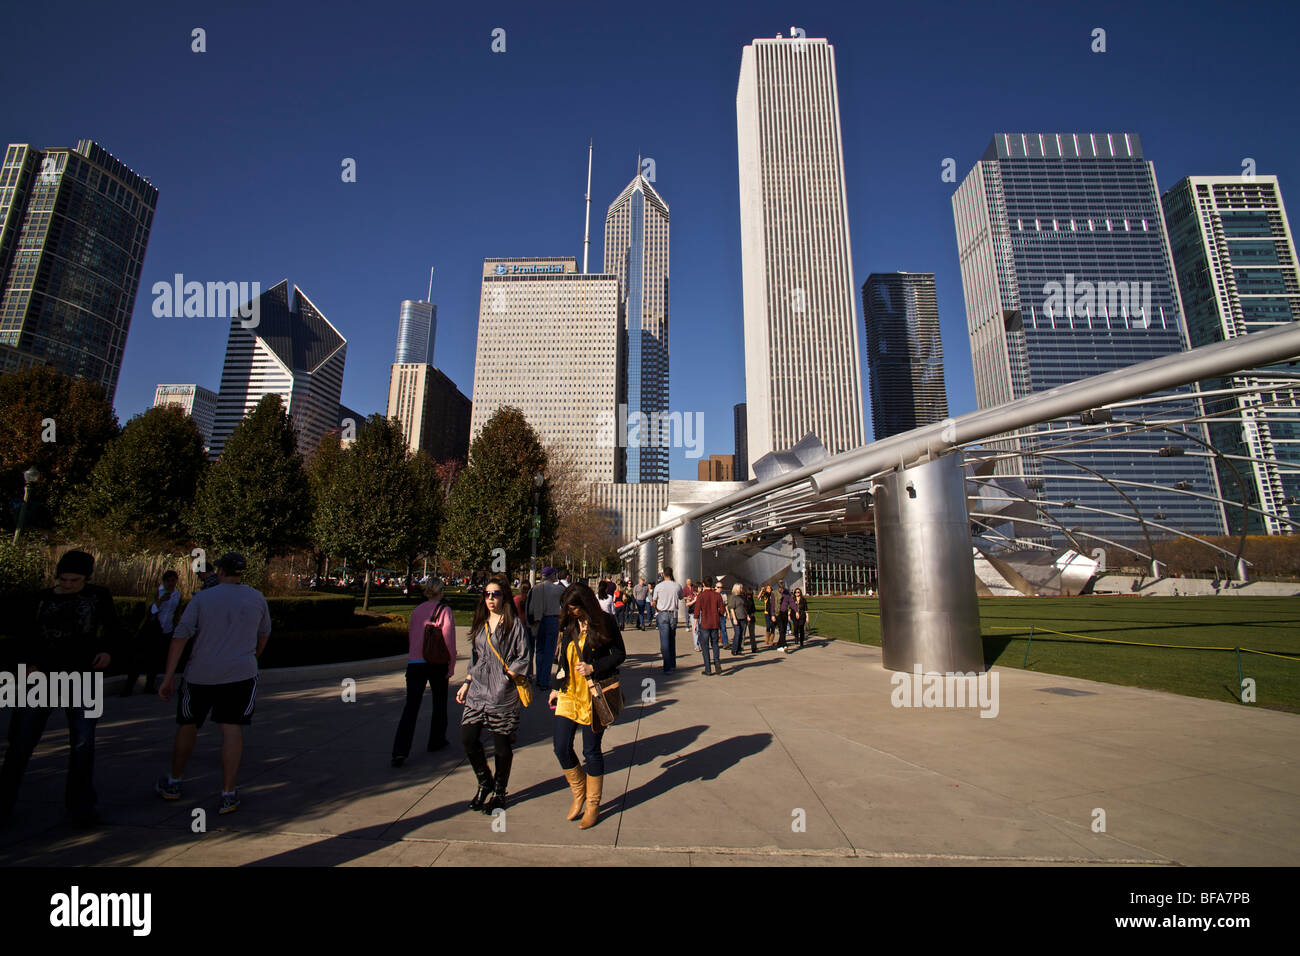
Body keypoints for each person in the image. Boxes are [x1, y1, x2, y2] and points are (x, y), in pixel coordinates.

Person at [0, 550, 116, 828]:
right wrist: (24, 664)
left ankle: (80, 807)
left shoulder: (99, 596)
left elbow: (113, 629)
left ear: (87, 578)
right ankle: (3, 804)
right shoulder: (39, 599)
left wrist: (108, 651)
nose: (68, 585)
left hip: (82, 676)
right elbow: (19, 634)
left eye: (75, 580)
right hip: (41, 677)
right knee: (21, 741)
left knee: (83, 743)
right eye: (63, 579)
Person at [156, 553, 270, 815]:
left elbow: (180, 637)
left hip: (200, 673)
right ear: (242, 572)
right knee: (231, 729)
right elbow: (264, 635)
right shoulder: (256, 598)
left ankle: (174, 781)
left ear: (219, 572)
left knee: (188, 725)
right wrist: (251, 658)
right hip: (240, 674)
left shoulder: (202, 599)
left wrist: (169, 675)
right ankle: (228, 793)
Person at [548, 583, 626, 829]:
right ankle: (578, 790)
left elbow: (620, 654)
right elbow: (563, 658)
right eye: (568, 608)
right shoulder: (570, 622)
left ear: (585, 604)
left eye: (574, 608)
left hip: (594, 694)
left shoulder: (604, 621)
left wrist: (594, 667)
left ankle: (593, 804)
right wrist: (555, 686)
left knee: (591, 751)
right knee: (561, 746)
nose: (571, 612)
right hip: (569, 693)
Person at [455, 574, 530, 813]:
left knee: (501, 745)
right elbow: (475, 657)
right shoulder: (481, 622)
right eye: (486, 594)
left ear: (504, 597)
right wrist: (467, 682)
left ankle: (499, 791)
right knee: (468, 738)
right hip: (477, 689)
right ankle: (484, 781)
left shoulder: (514, 624)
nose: (490, 598)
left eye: (495, 594)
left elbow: (523, 656)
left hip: (502, 693)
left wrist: (507, 677)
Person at [391, 578, 456, 766]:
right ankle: (436, 739)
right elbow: (449, 641)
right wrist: (451, 666)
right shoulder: (445, 611)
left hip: (415, 663)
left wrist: (414, 657)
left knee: (411, 707)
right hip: (436, 663)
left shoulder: (417, 610)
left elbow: (412, 637)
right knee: (439, 702)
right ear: (441, 591)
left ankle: (400, 750)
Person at [122, 569, 181, 696]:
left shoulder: (177, 595)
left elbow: (176, 613)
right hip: (151, 630)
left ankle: (149, 685)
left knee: (156, 660)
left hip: (166, 630)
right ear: (164, 581)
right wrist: (160, 601)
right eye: (168, 581)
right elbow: (150, 610)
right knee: (139, 659)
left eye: (173, 581)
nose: (171, 584)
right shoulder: (156, 592)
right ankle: (128, 687)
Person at [526, 567, 564, 691]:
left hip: (538, 620)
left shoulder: (535, 589)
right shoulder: (558, 589)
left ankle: (538, 678)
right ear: (552, 575)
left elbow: (530, 608)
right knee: (549, 651)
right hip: (552, 620)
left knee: (540, 650)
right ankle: (544, 680)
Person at [649, 566, 684, 673]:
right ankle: (672, 663)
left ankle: (667, 666)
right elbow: (681, 597)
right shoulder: (677, 586)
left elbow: (654, 600)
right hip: (673, 614)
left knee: (664, 641)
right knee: (671, 639)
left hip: (662, 613)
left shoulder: (659, 586)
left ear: (663, 574)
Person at [692, 576, 725, 676]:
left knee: (705, 646)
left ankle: (708, 668)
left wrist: (694, 624)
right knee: (715, 644)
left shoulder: (701, 596)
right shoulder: (717, 595)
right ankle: (717, 662)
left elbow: (697, 611)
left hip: (705, 623)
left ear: (703, 584)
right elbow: (722, 610)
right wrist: (718, 616)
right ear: (712, 584)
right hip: (715, 623)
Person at [728, 583, 751, 655]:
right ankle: (734, 649)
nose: (742, 589)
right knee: (737, 633)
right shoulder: (733, 597)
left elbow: (744, 608)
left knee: (741, 634)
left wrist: (747, 616)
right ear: (737, 588)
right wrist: (734, 619)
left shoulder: (742, 597)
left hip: (743, 617)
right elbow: (731, 608)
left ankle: (739, 649)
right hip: (736, 617)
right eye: (741, 588)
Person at [777, 582, 796, 653]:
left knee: (784, 629)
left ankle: (779, 644)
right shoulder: (775, 594)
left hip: (784, 613)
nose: (781, 590)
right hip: (778, 613)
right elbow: (772, 604)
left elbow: (791, 602)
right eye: (780, 588)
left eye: (783, 588)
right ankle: (784, 645)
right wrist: (772, 615)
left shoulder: (787, 593)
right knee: (781, 629)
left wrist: (796, 610)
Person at [683, 578, 699, 651]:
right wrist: (692, 600)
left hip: (700, 613)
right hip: (692, 612)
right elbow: (686, 602)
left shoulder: (701, 595)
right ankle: (696, 645)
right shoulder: (685, 589)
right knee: (695, 629)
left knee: (700, 629)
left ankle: (701, 644)